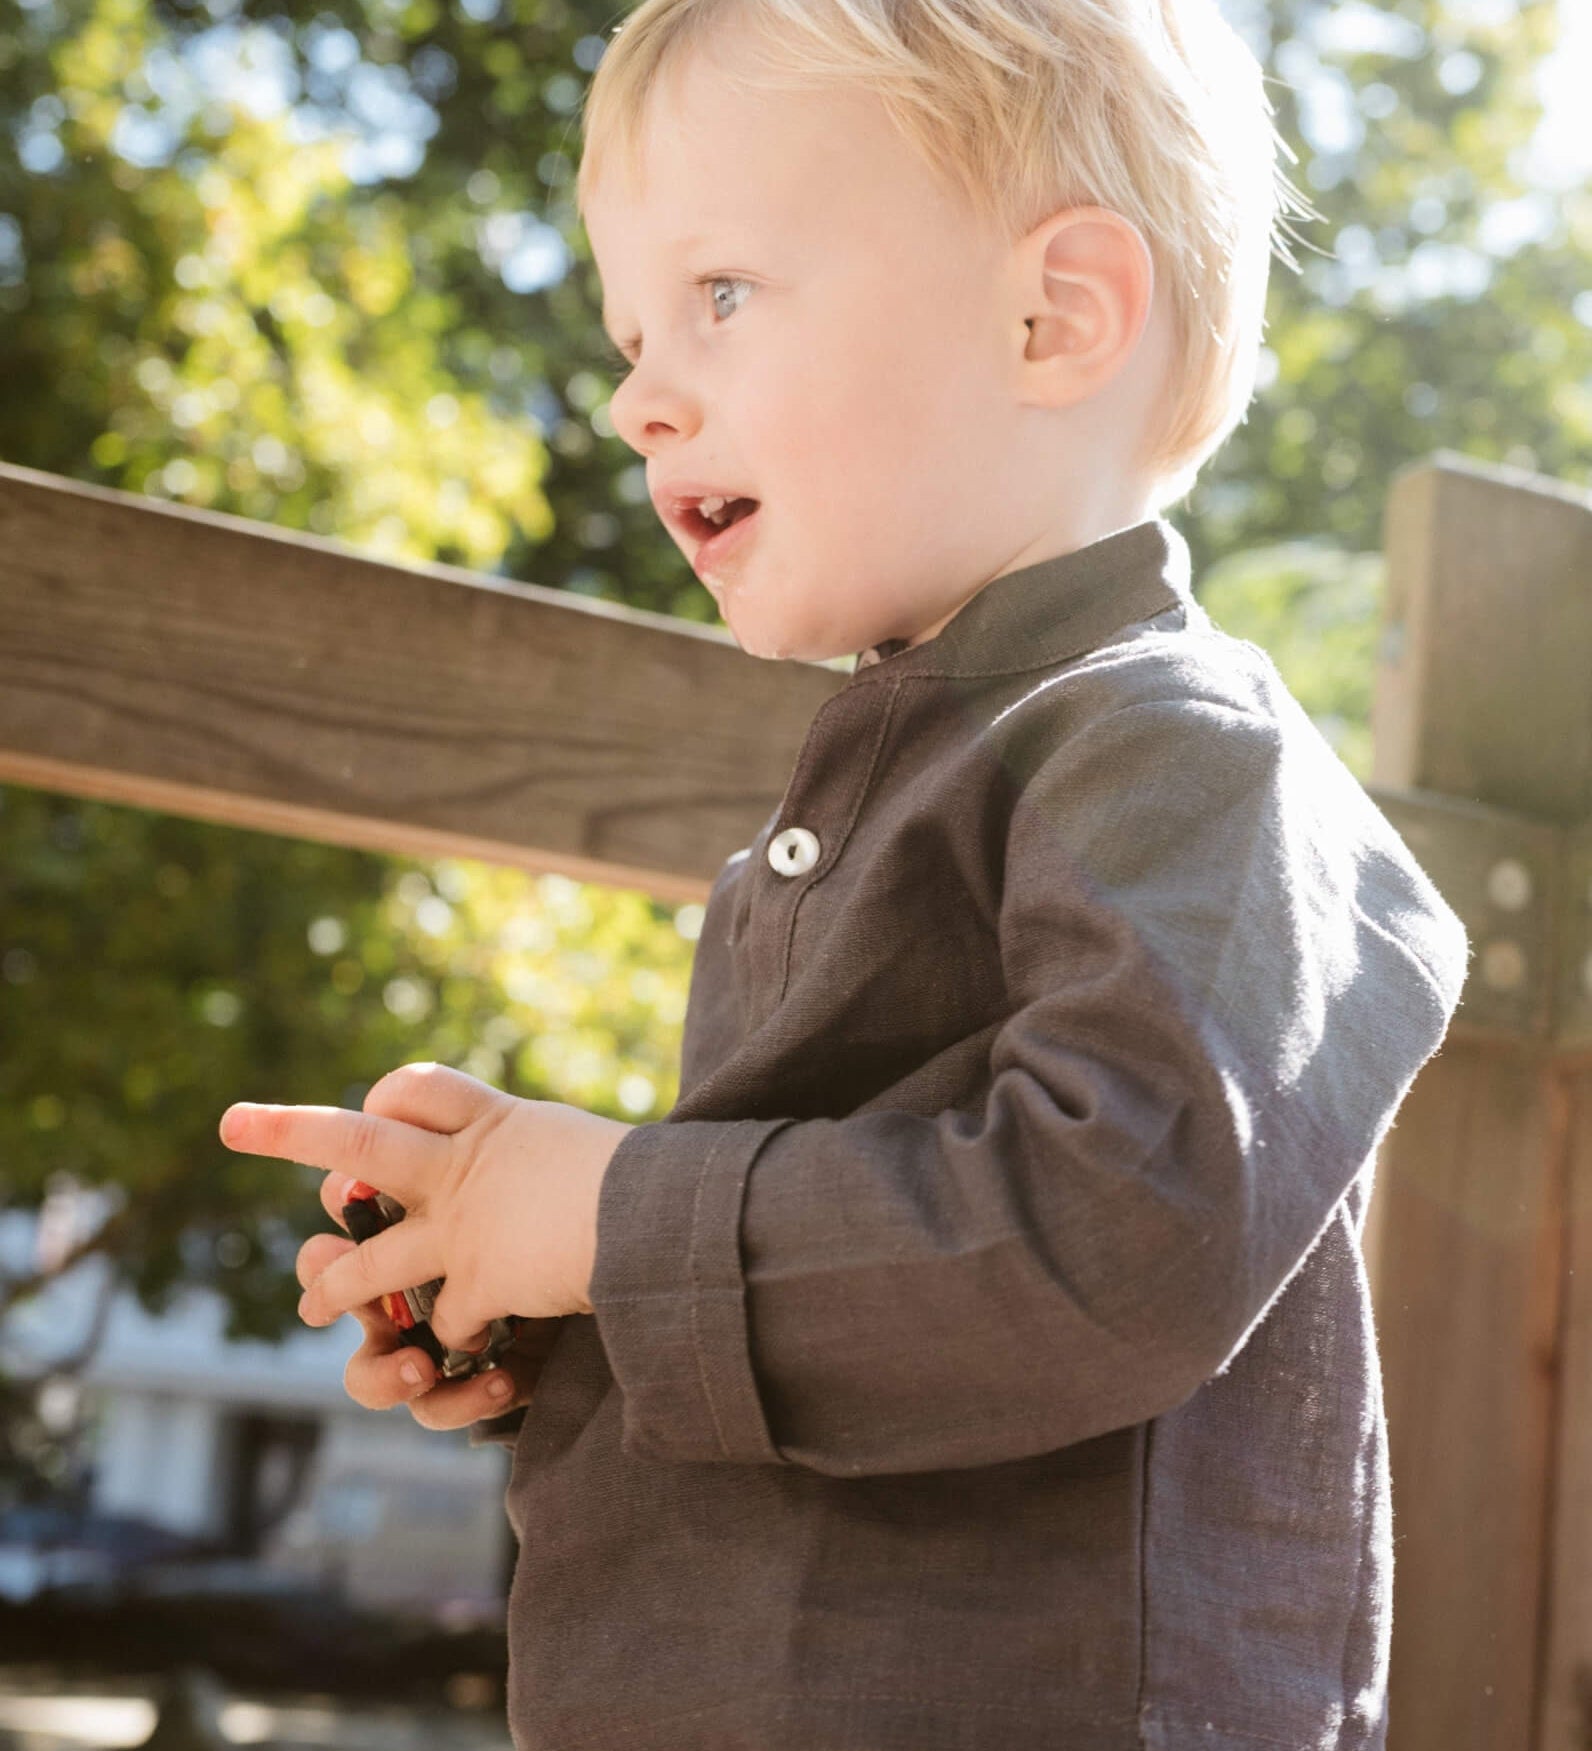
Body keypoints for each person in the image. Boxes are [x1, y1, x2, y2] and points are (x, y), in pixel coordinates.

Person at [218, 0, 1472, 1745]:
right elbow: (858, 1284)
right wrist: (546, 1295)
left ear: (1054, 318)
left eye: (719, 297)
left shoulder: (1179, 757)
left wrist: (611, 1218)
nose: (641, 394)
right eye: (632, 329)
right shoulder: (832, 833)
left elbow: (1125, 1238)